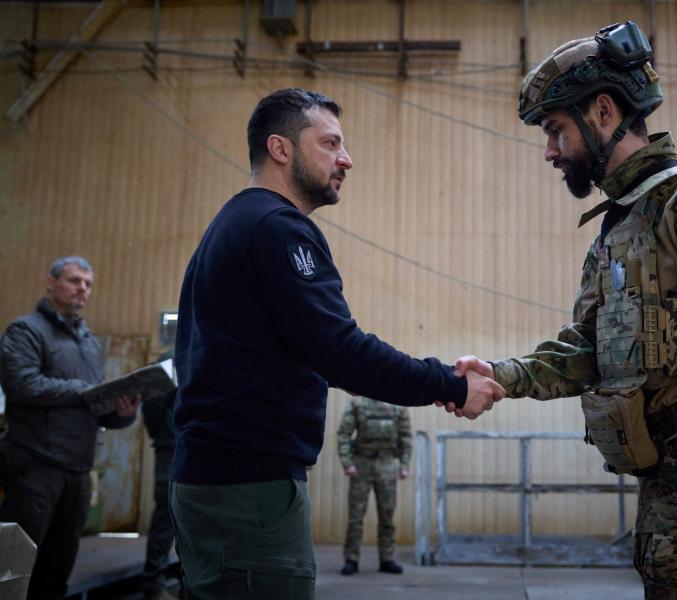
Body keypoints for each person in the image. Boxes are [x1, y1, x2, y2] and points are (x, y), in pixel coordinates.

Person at [451, 21, 677, 599]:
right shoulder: (620, 224)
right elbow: (589, 348)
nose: (549, 151)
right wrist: (503, 377)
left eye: (555, 130)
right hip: (664, 481)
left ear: (601, 112)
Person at [168, 88, 505, 600]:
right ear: (281, 149)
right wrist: (449, 384)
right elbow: (339, 350)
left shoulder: (235, 224)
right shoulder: (277, 228)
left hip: (217, 479)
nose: (346, 159)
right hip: (248, 487)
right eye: (329, 144)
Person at [0, 256, 140, 600]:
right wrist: (85, 391)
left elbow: (94, 403)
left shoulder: (87, 342)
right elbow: (22, 385)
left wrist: (122, 412)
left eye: (88, 283)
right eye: (75, 280)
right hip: (34, 467)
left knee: (58, 567)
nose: (83, 289)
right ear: (50, 282)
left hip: (77, 471)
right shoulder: (26, 330)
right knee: (15, 566)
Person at [337, 395, 412, 576]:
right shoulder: (358, 402)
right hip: (362, 463)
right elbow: (344, 433)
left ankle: (387, 559)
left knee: (387, 515)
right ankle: (351, 559)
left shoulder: (398, 403)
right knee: (356, 516)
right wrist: (347, 463)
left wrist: (404, 465)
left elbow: (406, 436)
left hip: (387, 464)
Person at [140, 349, 178, 600]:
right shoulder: (170, 360)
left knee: (194, 518)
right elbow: (152, 405)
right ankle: (154, 585)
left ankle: (186, 585)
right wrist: (164, 436)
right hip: (173, 446)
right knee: (166, 514)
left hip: (188, 445)